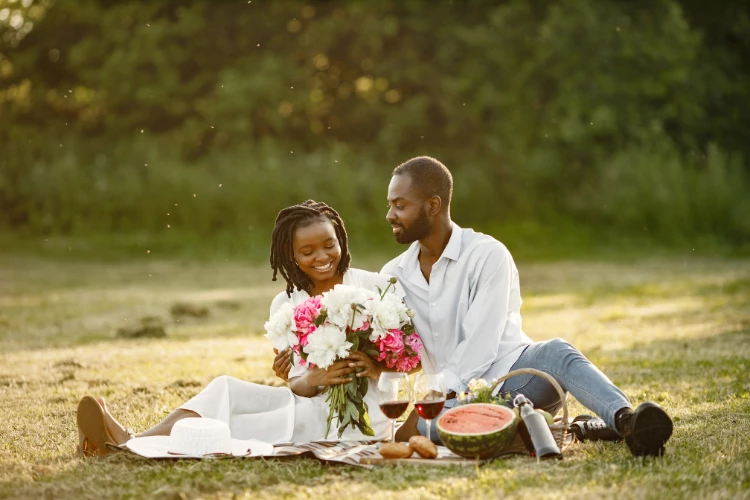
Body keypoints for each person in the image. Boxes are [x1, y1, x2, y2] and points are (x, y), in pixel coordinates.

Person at [380, 156, 673, 458]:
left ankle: (627, 422)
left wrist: (423, 408)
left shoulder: (487, 255)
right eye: (389, 205)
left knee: (556, 351)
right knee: (435, 426)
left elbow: (480, 347)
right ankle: (566, 428)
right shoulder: (392, 276)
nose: (390, 214)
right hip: (454, 404)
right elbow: (398, 353)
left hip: (517, 380)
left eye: (400, 206)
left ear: (433, 205)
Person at [76, 200, 402, 456]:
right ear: (289, 255)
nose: (322, 256)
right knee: (226, 389)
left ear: (340, 238)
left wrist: (376, 369)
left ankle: (126, 443)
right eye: (307, 251)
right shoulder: (286, 304)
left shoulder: (375, 287)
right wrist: (313, 378)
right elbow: (297, 384)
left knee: (237, 422)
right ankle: (129, 442)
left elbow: (412, 359)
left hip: (363, 417)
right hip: (309, 402)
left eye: (329, 244)